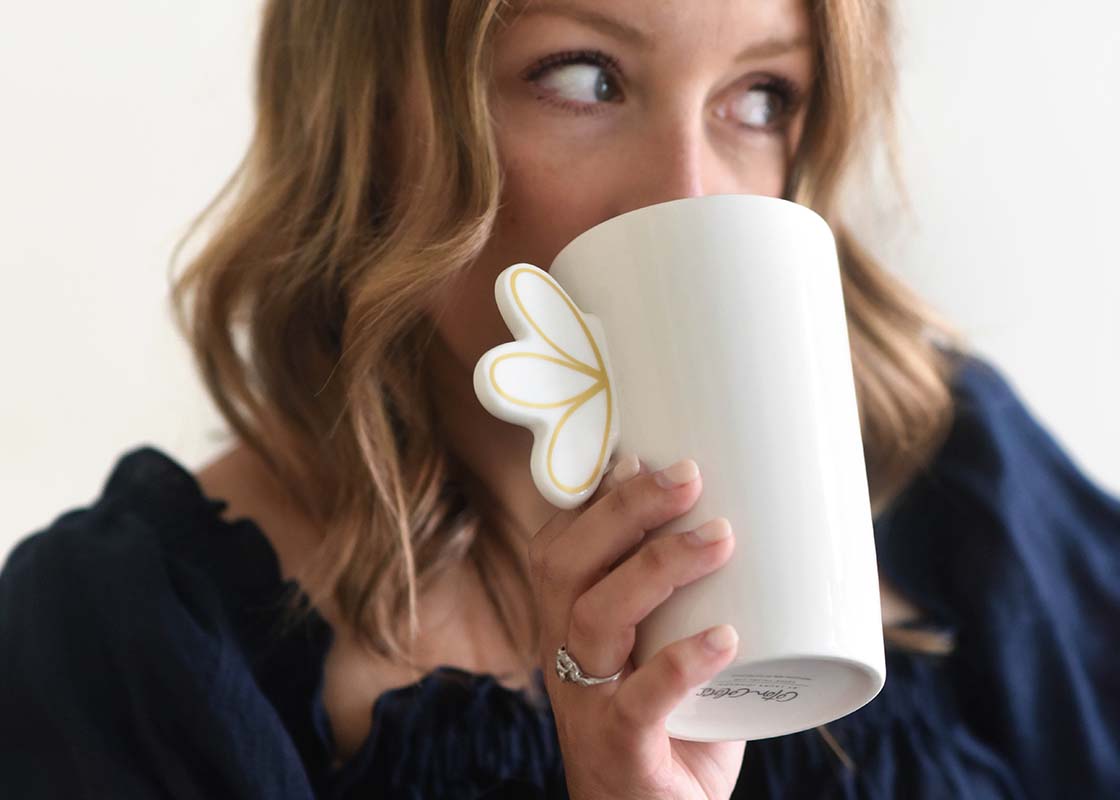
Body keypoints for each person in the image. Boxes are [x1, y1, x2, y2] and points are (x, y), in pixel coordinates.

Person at [2, 0, 1118, 797]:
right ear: (377, 116)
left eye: (759, 94)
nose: (688, 189)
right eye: (585, 75)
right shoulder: (129, 643)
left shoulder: (953, 470)